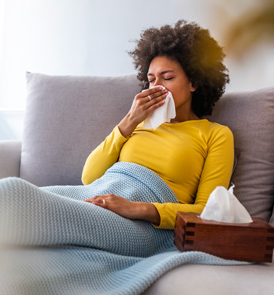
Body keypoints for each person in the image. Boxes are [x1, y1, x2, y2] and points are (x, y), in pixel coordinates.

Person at [83, 20, 234, 230]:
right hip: (93, 200)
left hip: (139, 224)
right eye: (151, 79)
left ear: (194, 82)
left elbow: (208, 211)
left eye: (168, 77)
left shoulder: (215, 134)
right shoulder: (136, 123)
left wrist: (136, 209)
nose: (157, 87)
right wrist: (130, 120)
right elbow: (89, 178)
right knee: (20, 193)